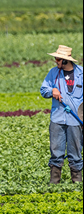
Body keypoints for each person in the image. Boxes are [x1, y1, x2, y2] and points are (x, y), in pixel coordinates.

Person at [40, 45, 83, 184]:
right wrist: (52, 90)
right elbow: (43, 89)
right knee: (56, 153)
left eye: (58, 59)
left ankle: (76, 185)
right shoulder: (53, 73)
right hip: (57, 119)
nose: (55, 61)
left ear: (65, 60)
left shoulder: (81, 73)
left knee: (75, 154)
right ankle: (54, 185)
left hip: (75, 121)